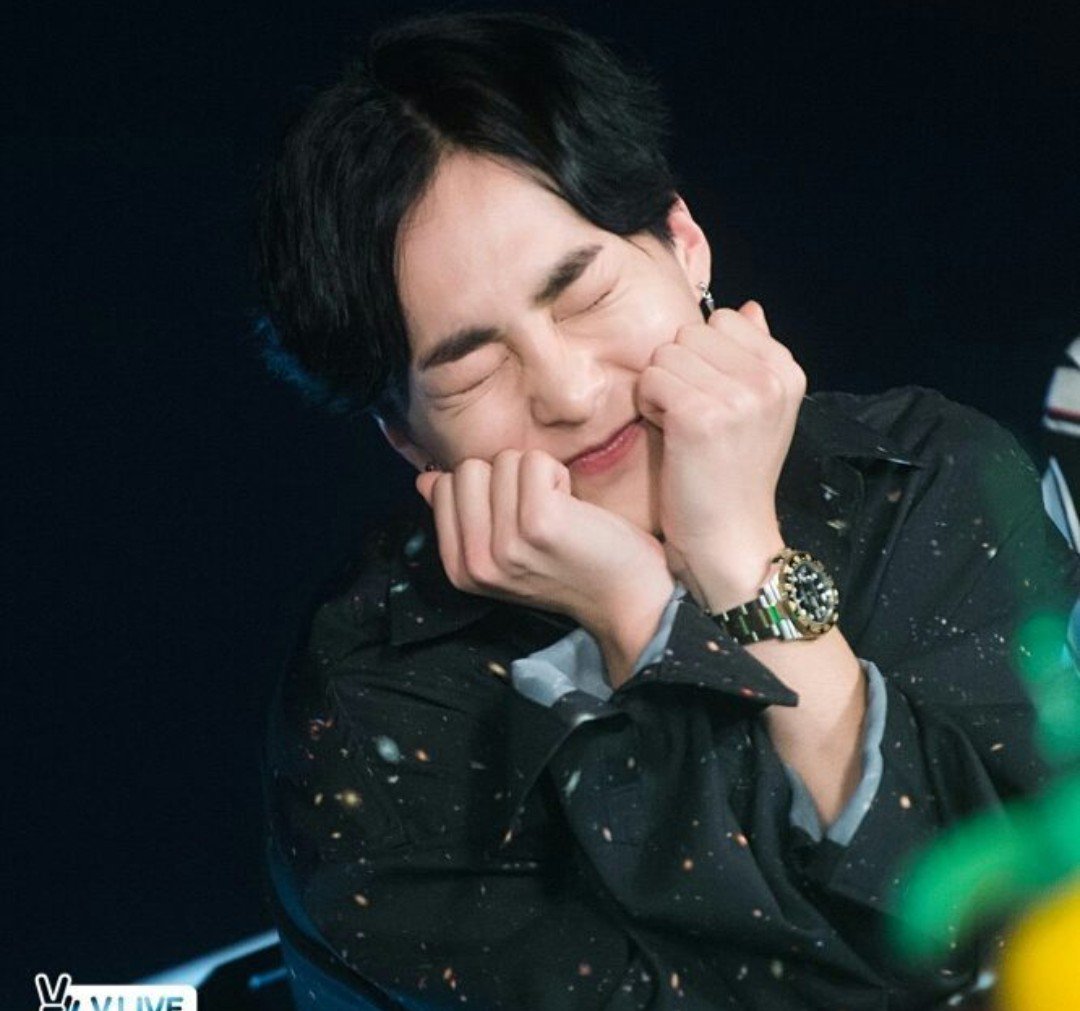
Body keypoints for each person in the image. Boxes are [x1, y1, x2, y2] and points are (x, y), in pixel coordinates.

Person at [255, 11, 1080, 1009]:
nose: (568, 392)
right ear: (404, 437)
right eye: (472, 371)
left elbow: (1017, 939)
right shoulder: (374, 706)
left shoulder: (924, 473)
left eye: (584, 296)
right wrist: (636, 617)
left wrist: (738, 555)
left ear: (685, 246)